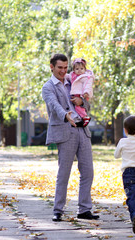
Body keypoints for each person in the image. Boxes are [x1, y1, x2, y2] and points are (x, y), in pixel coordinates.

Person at [42, 53, 99, 222]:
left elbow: (86, 103)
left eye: (65, 67)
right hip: (66, 130)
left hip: (83, 130)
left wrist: (82, 102)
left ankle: (84, 209)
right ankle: (58, 209)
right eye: (60, 67)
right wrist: (66, 115)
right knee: (64, 172)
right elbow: (53, 105)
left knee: (88, 171)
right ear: (52, 67)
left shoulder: (74, 80)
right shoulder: (48, 86)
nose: (63, 71)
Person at [67, 58, 94, 127]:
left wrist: (86, 92)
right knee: (76, 107)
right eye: (77, 69)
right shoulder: (72, 75)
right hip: (75, 93)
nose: (79, 70)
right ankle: (80, 118)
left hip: (82, 94)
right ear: (74, 70)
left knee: (78, 107)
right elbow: (67, 77)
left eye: (81, 69)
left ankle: (85, 117)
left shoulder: (86, 77)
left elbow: (88, 85)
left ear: (85, 69)